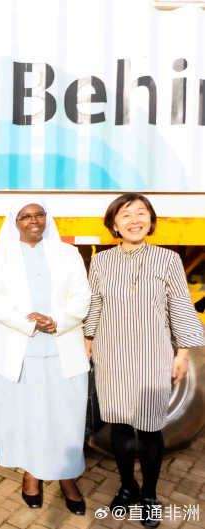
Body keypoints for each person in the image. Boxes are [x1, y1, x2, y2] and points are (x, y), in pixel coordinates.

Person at [84, 193, 204, 528]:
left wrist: (183, 353)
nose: (134, 220)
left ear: (150, 221)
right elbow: (94, 305)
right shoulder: (101, 262)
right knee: (120, 426)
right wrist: (87, 343)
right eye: (126, 215)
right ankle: (127, 487)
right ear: (114, 224)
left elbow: (180, 305)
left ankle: (149, 495)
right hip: (111, 356)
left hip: (153, 355)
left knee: (150, 429)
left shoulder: (168, 260)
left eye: (141, 213)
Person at [0, 201, 91, 515]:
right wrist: (30, 323)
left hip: (62, 346)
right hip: (19, 350)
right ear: (14, 221)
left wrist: (57, 321)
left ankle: (67, 476)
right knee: (28, 415)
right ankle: (31, 474)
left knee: (65, 416)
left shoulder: (68, 254)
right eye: (25, 216)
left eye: (39, 214)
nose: (34, 220)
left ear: (47, 218)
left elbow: (82, 295)